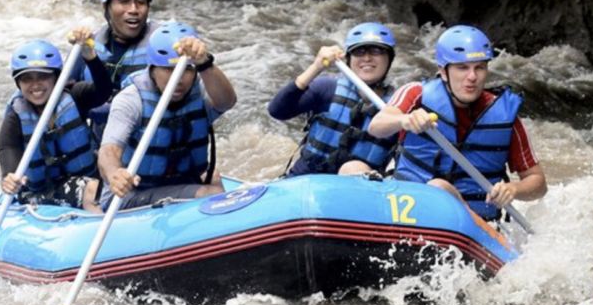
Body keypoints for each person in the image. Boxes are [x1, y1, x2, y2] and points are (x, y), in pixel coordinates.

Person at [368, 24, 547, 221]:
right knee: (437, 187)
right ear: (443, 72)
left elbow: (538, 183)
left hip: (475, 226)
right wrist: (405, 120)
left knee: (440, 188)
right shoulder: (415, 93)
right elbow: (377, 126)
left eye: (479, 68)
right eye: (462, 68)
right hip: (406, 210)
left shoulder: (506, 117)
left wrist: (513, 189)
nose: (472, 77)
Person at [97, 22, 237, 210]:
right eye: (168, 70)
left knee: (214, 177)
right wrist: (115, 175)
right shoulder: (131, 100)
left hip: (177, 181)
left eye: (187, 70)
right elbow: (109, 152)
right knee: (212, 194)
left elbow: (226, 102)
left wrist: (205, 63)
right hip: (131, 194)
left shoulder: (200, 90)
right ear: (152, 69)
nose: (177, 79)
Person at [0, 28, 114, 212]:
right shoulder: (15, 118)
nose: (35, 85)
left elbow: (104, 90)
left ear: (56, 78)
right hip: (40, 192)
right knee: (89, 188)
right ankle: (109, 236)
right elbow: (8, 152)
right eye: (27, 79)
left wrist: (90, 56)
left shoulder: (74, 95)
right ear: (18, 84)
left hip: (88, 178)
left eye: (42, 76)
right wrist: (9, 178)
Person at [268, 22, 400, 177]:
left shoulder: (399, 106)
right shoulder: (327, 88)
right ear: (349, 59)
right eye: (359, 51)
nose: (367, 58)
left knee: (355, 168)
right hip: (306, 183)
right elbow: (277, 111)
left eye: (376, 51)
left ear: (389, 59)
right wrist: (315, 68)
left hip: (360, 193)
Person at [69, 0, 160, 139]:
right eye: (124, 1)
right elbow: (60, 99)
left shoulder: (162, 46)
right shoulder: (89, 45)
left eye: (141, 2)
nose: (133, 9)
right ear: (106, 7)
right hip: (100, 143)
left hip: (147, 146)